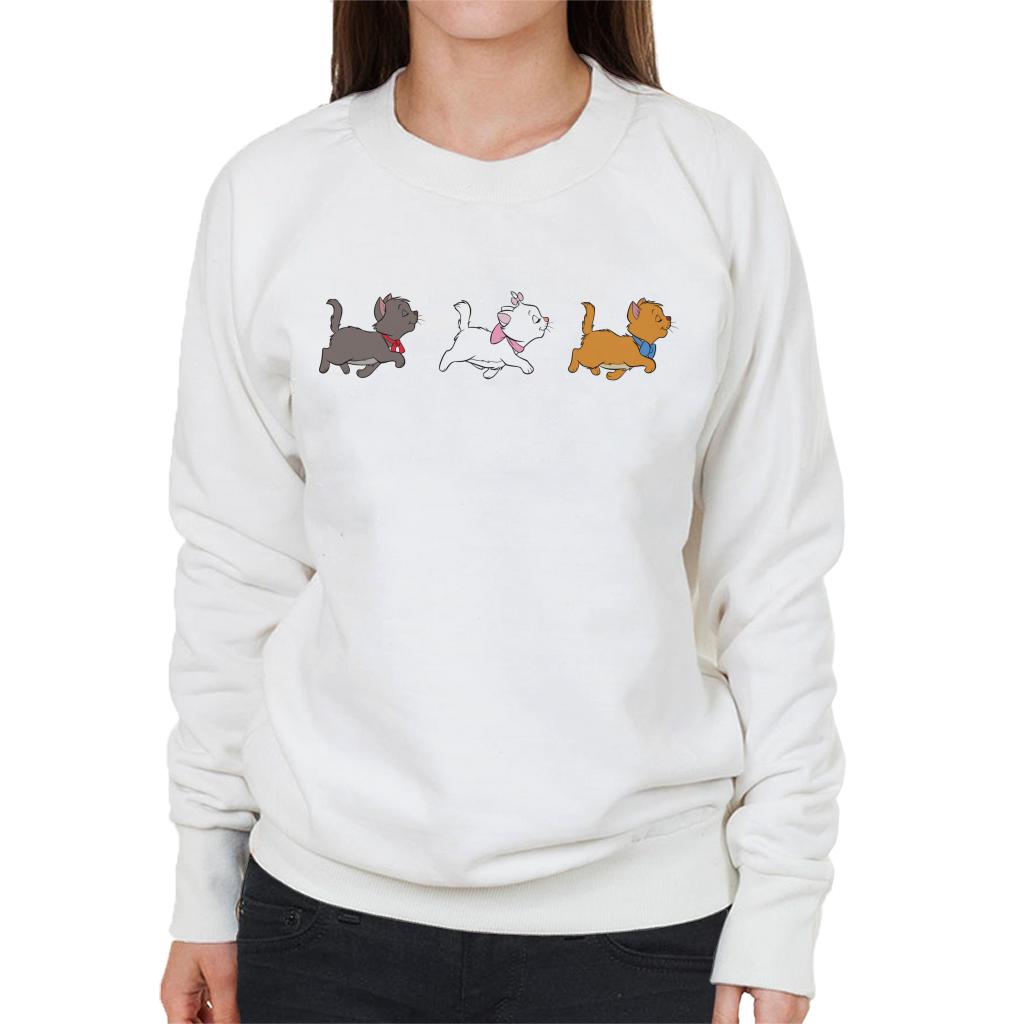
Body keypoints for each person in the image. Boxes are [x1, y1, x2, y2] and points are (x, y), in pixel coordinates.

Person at [159, 2, 844, 1022]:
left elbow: (772, 567)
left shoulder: (707, 181)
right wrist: (204, 879)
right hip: (324, 928)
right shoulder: (272, 194)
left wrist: (783, 904)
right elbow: (235, 565)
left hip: (642, 935)